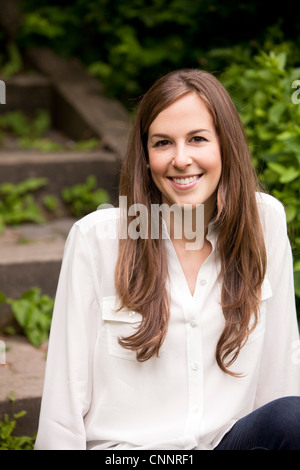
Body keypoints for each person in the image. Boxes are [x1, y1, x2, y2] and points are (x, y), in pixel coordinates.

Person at [34, 69, 300, 450]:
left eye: (197, 139)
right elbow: (64, 395)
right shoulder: (98, 239)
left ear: (226, 145)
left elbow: (281, 375)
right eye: (162, 143)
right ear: (145, 156)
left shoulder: (264, 223)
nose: (180, 159)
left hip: (224, 443)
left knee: (292, 417)